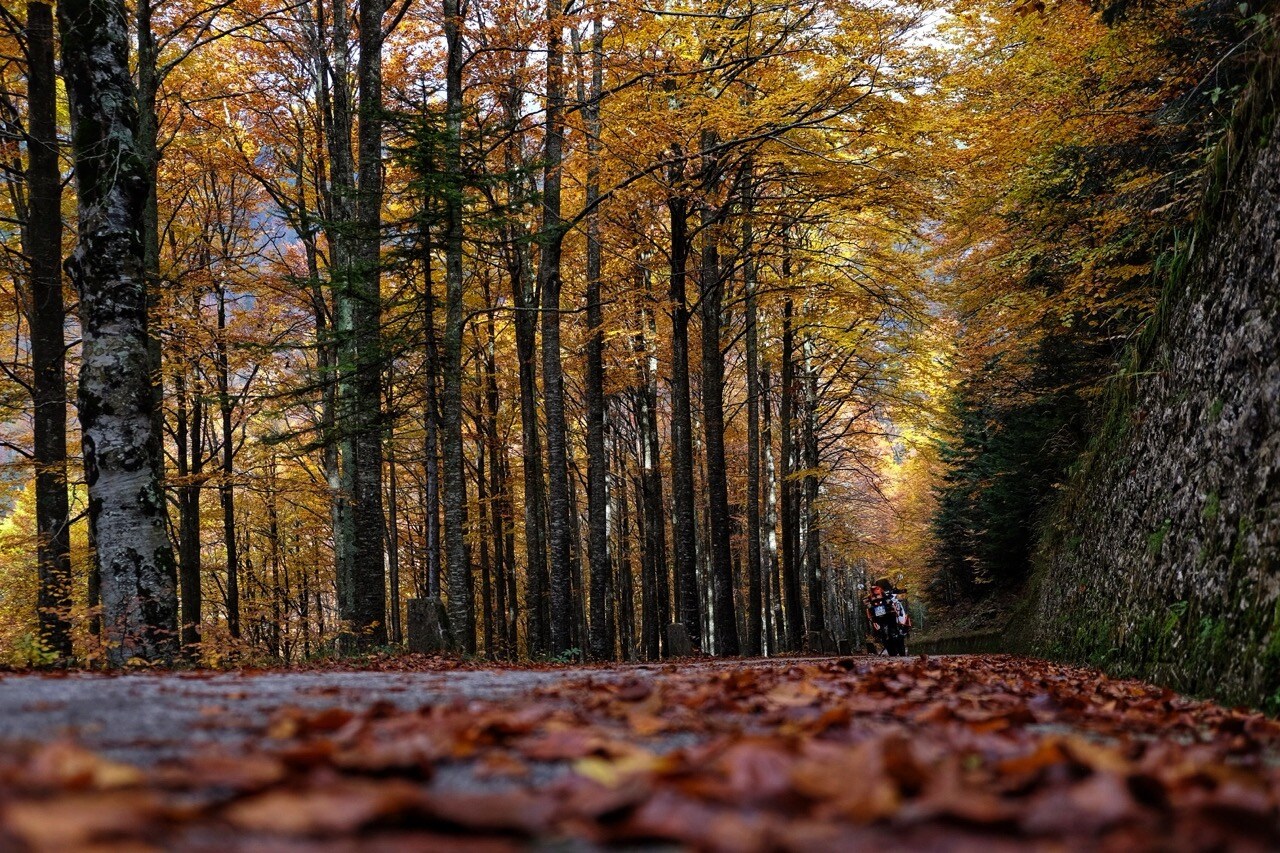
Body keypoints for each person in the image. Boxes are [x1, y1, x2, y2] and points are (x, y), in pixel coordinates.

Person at [865, 583, 909, 656]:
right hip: (882, 618)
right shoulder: (872, 597)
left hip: (888, 616)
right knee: (889, 629)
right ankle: (894, 640)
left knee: (895, 624)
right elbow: (869, 609)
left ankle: (899, 631)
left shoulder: (885, 595)